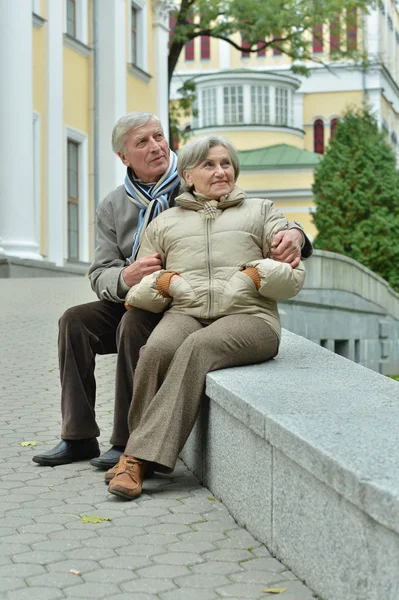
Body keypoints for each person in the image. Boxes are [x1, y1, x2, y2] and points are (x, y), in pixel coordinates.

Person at [32, 112, 312, 470]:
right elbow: (100, 273)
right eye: (143, 142)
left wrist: (297, 234)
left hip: (184, 302)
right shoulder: (113, 205)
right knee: (74, 322)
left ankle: (125, 442)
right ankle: (79, 436)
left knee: (133, 327)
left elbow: (249, 216)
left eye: (159, 137)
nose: (156, 147)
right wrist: (126, 277)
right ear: (124, 157)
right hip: (141, 292)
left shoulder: (196, 178)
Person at [106, 135, 306, 500]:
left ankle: (135, 459)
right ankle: (139, 454)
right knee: (155, 351)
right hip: (186, 311)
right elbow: (139, 289)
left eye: (226, 163)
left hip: (250, 317)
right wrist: (168, 283)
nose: (220, 171)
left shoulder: (262, 211)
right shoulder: (165, 223)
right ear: (188, 175)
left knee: (197, 348)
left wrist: (254, 276)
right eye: (209, 165)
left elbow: (292, 277)